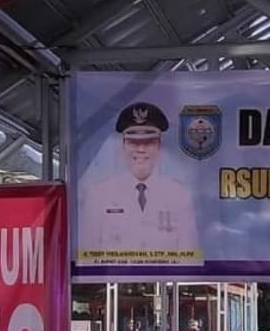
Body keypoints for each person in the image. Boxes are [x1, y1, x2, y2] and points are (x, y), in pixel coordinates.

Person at [77, 101, 201, 262]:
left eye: (149, 142)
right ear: (123, 145)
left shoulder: (179, 195)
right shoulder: (99, 195)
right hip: (112, 286)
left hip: (167, 286)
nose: (140, 149)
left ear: (159, 146)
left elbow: (190, 261)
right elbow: (87, 257)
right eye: (133, 142)